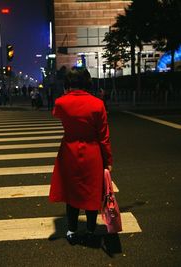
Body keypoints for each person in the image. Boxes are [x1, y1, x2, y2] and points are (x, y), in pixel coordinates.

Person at [49, 67, 113, 246]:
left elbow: (56, 114)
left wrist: (65, 93)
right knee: (92, 193)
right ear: (87, 83)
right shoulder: (98, 104)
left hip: (69, 152)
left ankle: (71, 230)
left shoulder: (61, 102)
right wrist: (108, 161)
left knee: (72, 194)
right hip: (93, 152)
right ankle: (91, 230)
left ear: (68, 84)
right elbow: (104, 136)